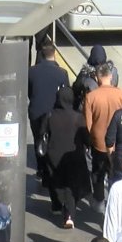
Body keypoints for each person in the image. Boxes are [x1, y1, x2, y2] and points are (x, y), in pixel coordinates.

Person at [43, 85, 91, 229]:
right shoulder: (78, 117)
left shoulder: (50, 115)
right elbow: (87, 139)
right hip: (73, 156)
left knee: (55, 182)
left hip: (53, 155)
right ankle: (69, 215)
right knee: (71, 186)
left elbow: (42, 133)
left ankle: (57, 204)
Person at [85, 63, 122, 213]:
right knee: (115, 173)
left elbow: (89, 124)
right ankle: (114, 201)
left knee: (98, 172)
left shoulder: (91, 97)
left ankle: (98, 200)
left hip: (98, 143)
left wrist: (91, 140)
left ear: (97, 77)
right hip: (117, 143)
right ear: (111, 76)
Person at [28, 39, 69, 166]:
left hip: (36, 110)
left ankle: (40, 166)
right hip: (53, 113)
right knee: (52, 140)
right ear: (54, 53)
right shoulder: (62, 73)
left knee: (38, 139)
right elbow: (66, 94)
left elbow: (29, 91)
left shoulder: (31, 71)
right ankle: (49, 167)